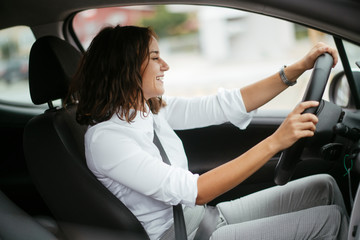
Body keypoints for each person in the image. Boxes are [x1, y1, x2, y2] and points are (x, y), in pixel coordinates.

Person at [67, 25, 349, 240]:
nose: (165, 66)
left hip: (204, 217)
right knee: (330, 220)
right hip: (183, 234)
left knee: (323, 186)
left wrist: (298, 68)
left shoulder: (147, 110)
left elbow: (223, 105)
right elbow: (196, 191)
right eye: (155, 58)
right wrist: (275, 141)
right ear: (126, 68)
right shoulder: (107, 140)